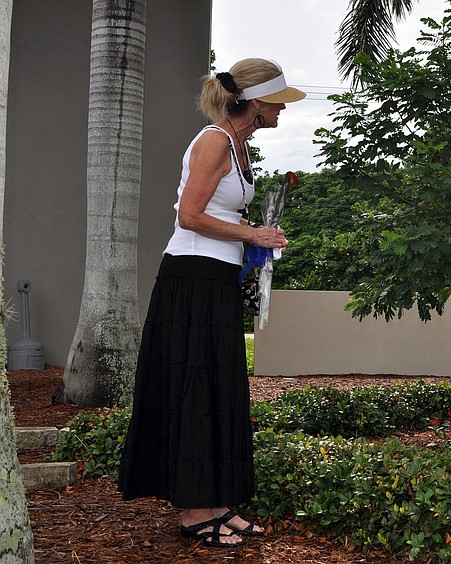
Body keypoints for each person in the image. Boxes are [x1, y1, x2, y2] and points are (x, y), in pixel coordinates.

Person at [118, 58, 304, 548]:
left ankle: (217, 500)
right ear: (257, 102)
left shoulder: (239, 145)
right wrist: (253, 232)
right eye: (278, 104)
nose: (282, 113)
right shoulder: (213, 140)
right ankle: (193, 510)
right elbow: (189, 215)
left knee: (217, 388)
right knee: (194, 388)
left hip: (217, 279)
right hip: (191, 279)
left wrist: (253, 246)